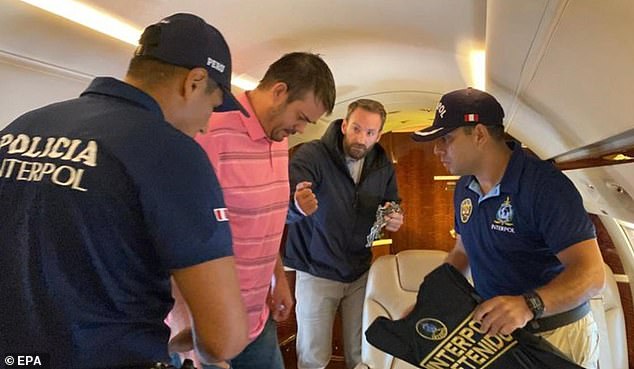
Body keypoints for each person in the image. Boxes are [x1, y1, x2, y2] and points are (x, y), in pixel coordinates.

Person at [0, 13, 250, 369]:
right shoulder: (174, 153)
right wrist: (192, 342)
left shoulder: (22, 126)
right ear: (194, 82)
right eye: (212, 107)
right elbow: (222, 340)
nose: (207, 126)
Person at [411, 87, 605, 368]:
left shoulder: (545, 187)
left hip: (555, 334)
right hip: (501, 336)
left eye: (446, 139)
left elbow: (591, 273)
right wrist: (429, 303)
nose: (437, 149)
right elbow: (462, 252)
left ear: (479, 135)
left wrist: (529, 304)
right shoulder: (465, 187)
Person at [169, 52, 337, 369]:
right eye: (301, 117)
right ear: (279, 91)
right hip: (209, 330)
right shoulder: (211, 130)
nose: (301, 129)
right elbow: (174, 236)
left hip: (257, 320)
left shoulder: (277, 136)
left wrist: (278, 279)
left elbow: (259, 222)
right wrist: (192, 340)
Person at [284, 98, 404, 369]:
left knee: (361, 354)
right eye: (357, 129)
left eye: (370, 133)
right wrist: (296, 205)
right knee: (313, 356)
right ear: (344, 125)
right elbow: (283, 204)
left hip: (359, 272)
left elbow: (392, 202)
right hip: (316, 272)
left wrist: (394, 217)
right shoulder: (312, 155)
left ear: (379, 135)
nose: (361, 138)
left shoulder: (383, 164)